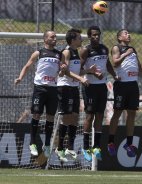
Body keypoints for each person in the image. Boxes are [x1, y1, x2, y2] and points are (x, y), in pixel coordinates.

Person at [14, 30, 87, 158]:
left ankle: (47, 145)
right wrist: (20, 78)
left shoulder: (60, 55)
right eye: (52, 37)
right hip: (40, 88)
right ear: (45, 39)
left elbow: (62, 73)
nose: (55, 38)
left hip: (53, 89)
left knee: (50, 117)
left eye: (55, 37)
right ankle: (32, 143)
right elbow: (27, 66)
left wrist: (63, 71)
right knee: (36, 114)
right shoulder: (39, 52)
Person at [107, 29, 142, 157]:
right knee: (118, 112)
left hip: (133, 85)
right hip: (121, 85)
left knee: (132, 114)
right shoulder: (117, 48)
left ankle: (129, 143)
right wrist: (125, 54)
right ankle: (110, 142)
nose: (129, 35)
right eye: (125, 33)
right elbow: (115, 63)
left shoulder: (132, 50)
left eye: (129, 33)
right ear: (119, 37)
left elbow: (140, 68)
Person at [55, 28, 97, 162]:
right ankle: (60, 148)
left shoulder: (76, 52)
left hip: (73, 88)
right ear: (73, 40)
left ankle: (70, 147)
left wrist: (88, 71)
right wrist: (81, 79)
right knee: (66, 117)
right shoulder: (66, 52)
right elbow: (65, 72)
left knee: (75, 116)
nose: (81, 40)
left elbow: (77, 71)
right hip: (64, 87)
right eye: (79, 38)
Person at [80, 26, 119, 162]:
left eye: (98, 35)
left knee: (100, 116)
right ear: (89, 36)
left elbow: (107, 63)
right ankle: (85, 147)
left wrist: (114, 75)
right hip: (89, 87)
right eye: (94, 35)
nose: (96, 37)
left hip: (102, 87)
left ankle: (96, 147)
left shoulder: (104, 49)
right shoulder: (85, 50)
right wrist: (91, 72)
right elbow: (78, 69)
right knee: (89, 116)